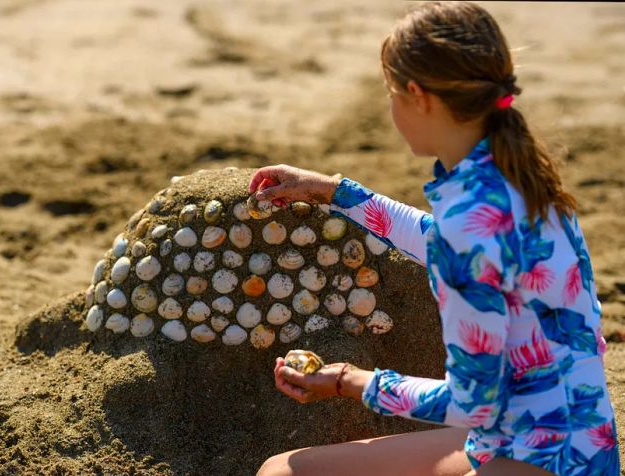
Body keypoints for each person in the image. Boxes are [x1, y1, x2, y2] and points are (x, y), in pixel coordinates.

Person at [252, 2, 620, 475]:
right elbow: (440, 238)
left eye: (391, 93)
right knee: (282, 470)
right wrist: (335, 192)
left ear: (417, 95)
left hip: (539, 458)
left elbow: (471, 404)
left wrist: (347, 380)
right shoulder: (521, 176)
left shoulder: (468, 222)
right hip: (580, 441)